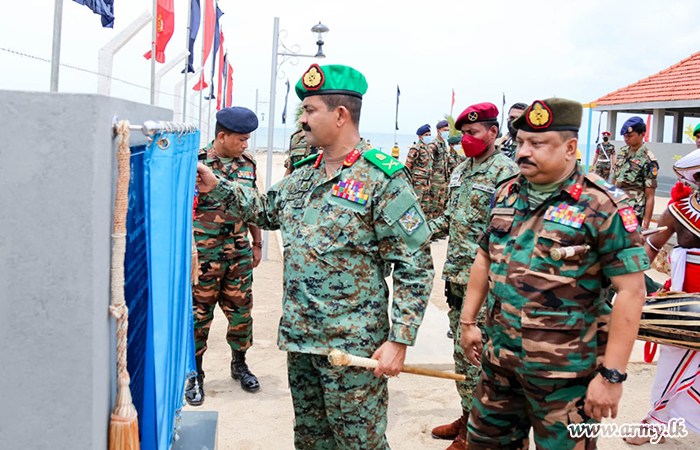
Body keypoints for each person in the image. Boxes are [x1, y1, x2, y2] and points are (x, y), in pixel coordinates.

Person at [196, 63, 435, 449]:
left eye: (309, 111)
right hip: (302, 341)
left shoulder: (383, 179)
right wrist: (217, 185)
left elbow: (415, 264)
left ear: (340, 115)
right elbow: (264, 210)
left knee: (359, 443)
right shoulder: (304, 174)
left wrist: (400, 339)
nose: (302, 121)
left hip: (353, 347)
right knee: (310, 441)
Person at [460, 98, 650, 449]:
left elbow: (632, 292)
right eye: (520, 143)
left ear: (570, 148)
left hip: (566, 379)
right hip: (499, 365)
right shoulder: (506, 193)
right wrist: (468, 322)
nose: (523, 152)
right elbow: (484, 257)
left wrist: (611, 376)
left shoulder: (602, 204)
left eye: (537, 143)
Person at [429, 103, 518, 450]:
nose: (467, 139)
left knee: (479, 358)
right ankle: (467, 415)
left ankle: (477, 432)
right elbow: (450, 219)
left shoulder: (505, 171)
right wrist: (414, 231)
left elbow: (508, 234)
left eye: (473, 133)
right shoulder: (462, 169)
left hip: (486, 284)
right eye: (463, 134)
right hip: (457, 278)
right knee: (461, 354)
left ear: (493, 132)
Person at [186, 107, 263, 406]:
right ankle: (196, 374)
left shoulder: (249, 164)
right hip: (203, 255)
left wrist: (257, 242)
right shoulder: (196, 162)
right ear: (222, 136)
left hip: (238, 254)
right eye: (242, 139)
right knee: (198, 316)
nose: (246, 145)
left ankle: (239, 364)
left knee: (241, 314)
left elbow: (252, 204)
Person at [622, 149, 700, 445]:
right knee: (673, 362)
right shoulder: (680, 210)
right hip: (685, 303)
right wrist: (633, 284)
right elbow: (651, 250)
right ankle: (656, 422)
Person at [612, 117, 659, 231]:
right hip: (616, 206)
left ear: (642, 134)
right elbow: (614, 181)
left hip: (633, 211)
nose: (626, 139)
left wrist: (646, 224)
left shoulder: (648, 160)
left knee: (629, 245)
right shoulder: (622, 152)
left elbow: (650, 196)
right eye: (624, 136)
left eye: (630, 136)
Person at [405, 124, 434, 216]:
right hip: (417, 184)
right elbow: (407, 167)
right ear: (420, 136)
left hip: (427, 183)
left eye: (429, 135)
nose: (428, 137)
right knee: (415, 205)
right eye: (426, 135)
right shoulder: (415, 149)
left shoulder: (429, 149)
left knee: (425, 208)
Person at [428, 119, 452, 219]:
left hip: (443, 181)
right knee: (433, 206)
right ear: (439, 131)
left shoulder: (443, 144)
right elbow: (429, 164)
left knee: (441, 206)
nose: (447, 132)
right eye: (445, 130)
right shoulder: (434, 145)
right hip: (435, 182)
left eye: (448, 130)